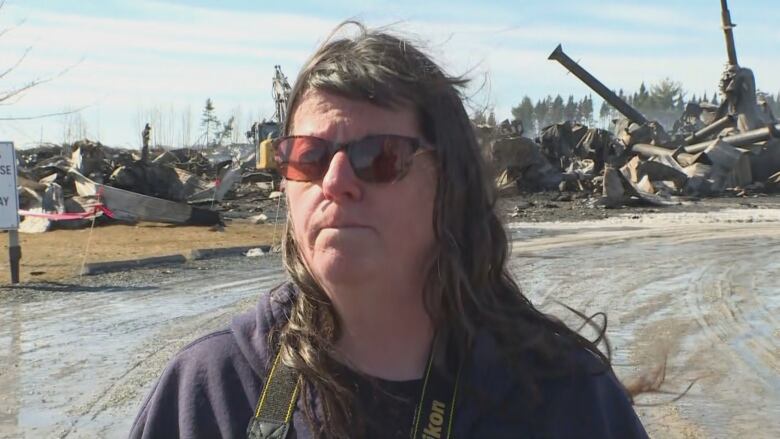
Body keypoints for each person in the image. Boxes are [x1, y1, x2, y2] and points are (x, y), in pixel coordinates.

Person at [130, 22, 648, 439]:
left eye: (378, 158)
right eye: (308, 158)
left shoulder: (559, 396)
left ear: (450, 184)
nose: (335, 183)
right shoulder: (212, 392)